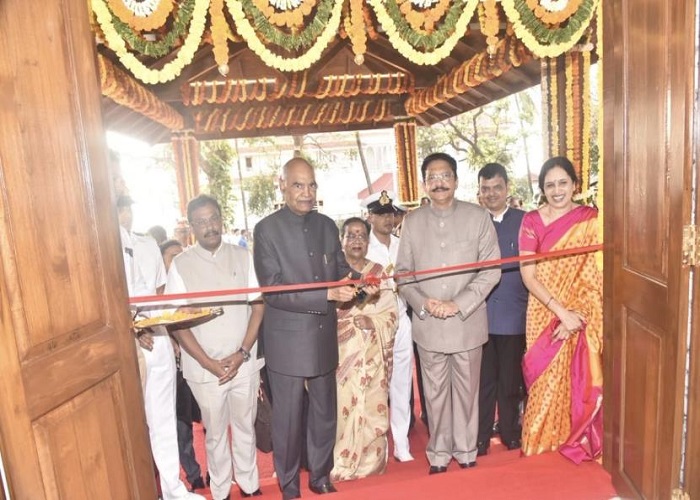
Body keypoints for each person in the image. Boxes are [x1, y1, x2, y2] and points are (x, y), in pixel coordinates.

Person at [253, 157, 375, 499]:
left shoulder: (324, 225)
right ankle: (289, 486)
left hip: (322, 334)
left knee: (324, 412)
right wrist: (326, 293)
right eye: (298, 185)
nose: (306, 193)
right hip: (288, 339)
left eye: (311, 185)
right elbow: (273, 290)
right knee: (288, 420)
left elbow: (339, 268)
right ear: (282, 185)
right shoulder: (266, 229)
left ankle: (320, 475)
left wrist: (362, 282)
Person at [395, 152, 501, 474]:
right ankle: (439, 454)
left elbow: (491, 269)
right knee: (434, 394)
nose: (439, 182)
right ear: (425, 184)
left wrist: (459, 303)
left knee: (468, 392)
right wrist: (424, 303)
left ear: (455, 181)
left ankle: (467, 450)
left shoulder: (477, 217)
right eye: (432, 177)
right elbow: (402, 274)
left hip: (466, 321)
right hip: (429, 325)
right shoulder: (412, 222)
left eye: (445, 176)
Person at [166, 194, 264, 500]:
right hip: (205, 369)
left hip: (243, 362)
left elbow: (258, 306)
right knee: (215, 433)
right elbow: (177, 322)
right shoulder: (180, 265)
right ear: (191, 226)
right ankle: (220, 490)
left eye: (213, 219)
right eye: (201, 222)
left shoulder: (242, 256)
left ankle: (249, 486)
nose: (209, 227)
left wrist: (243, 352)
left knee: (246, 427)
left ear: (221, 218)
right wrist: (208, 363)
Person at [117, 196, 204, 500]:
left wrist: (179, 317)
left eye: (128, 204)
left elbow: (158, 291)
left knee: (164, 417)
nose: (126, 212)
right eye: (120, 204)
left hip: (159, 337)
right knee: (128, 424)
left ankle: (172, 488)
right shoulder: (98, 242)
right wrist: (131, 325)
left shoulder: (145, 244)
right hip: (126, 343)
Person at [518, 156, 603, 463]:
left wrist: (574, 315)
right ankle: (539, 449)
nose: (557, 191)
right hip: (542, 310)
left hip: (581, 311)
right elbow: (528, 276)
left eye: (563, 183)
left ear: (575, 186)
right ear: (542, 189)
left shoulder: (591, 220)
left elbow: (594, 274)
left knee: (576, 377)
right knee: (543, 380)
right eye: (550, 185)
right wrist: (561, 312)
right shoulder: (531, 221)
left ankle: (574, 438)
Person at [331, 217, 397, 481]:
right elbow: (323, 314)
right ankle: (342, 463)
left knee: (372, 407)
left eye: (361, 236)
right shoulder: (334, 275)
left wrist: (372, 320)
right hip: (341, 357)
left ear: (368, 241)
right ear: (341, 240)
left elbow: (391, 314)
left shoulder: (379, 272)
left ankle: (371, 463)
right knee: (342, 409)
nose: (356, 240)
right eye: (351, 235)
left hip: (372, 356)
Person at [475, 163, 528, 456]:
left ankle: (510, 432)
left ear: (507, 189)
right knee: (483, 383)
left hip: (513, 315)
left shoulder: (525, 220)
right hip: (479, 316)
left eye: (497, 187)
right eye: (486, 188)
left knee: (510, 381)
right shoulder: (473, 221)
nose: (492, 193)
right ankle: (481, 437)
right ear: (479, 191)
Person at [361, 190, 414, 463]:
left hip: (402, 318)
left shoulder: (402, 243)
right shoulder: (362, 248)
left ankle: (401, 443)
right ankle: (374, 444)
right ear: (370, 216)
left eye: (390, 214)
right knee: (374, 383)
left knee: (402, 383)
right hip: (374, 324)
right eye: (381, 214)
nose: (387, 219)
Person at [159, 239, 206, 493]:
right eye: (170, 256)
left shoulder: (190, 283)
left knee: (206, 420)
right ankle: (193, 473)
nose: (176, 259)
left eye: (180, 254)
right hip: (171, 371)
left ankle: (213, 472)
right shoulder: (156, 292)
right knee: (181, 427)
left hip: (197, 363)